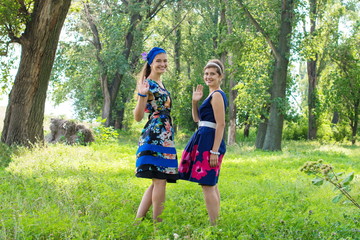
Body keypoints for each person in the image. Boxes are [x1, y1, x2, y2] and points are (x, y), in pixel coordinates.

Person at [178, 59, 227, 225]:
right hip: (203, 139)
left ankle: (214, 226)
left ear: (220, 76)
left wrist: (214, 151)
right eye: (206, 73)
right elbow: (197, 119)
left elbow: (221, 124)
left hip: (210, 143)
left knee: (207, 184)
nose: (208, 77)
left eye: (212, 74)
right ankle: (216, 222)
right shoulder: (211, 95)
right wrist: (194, 102)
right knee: (210, 184)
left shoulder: (218, 95)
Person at [133, 47, 178, 223]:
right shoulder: (148, 84)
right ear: (151, 62)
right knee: (160, 181)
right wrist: (142, 95)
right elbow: (137, 116)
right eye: (159, 60)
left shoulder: (161, 84)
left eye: (165, 61)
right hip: (154, 136)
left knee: (157, 181)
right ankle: (158, 227)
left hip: (165, 137)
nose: (163, 64)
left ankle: (138, 221)